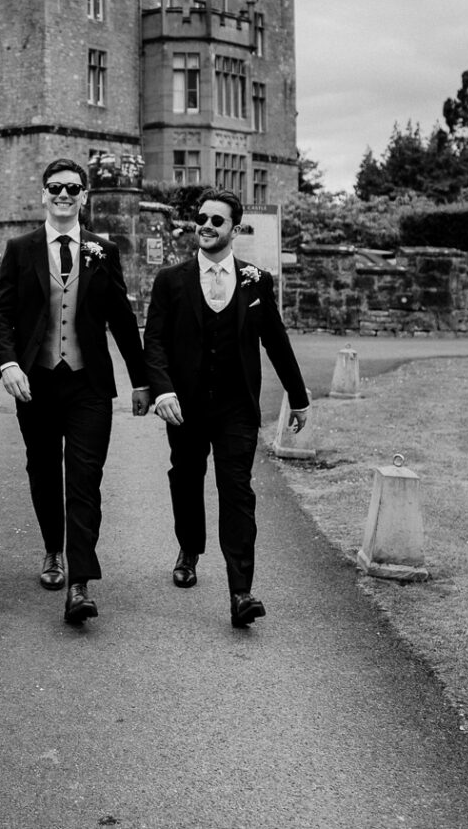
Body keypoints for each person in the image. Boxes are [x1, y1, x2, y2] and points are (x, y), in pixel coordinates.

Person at [140, 186, 310, 628]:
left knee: (237, 490)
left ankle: (241, 592)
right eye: (202, 218)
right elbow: (153, 341)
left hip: (236, 406)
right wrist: (162, 390)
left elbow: (276, 341)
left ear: (235, 228)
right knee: (186, 478)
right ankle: (189, 548)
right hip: (185, 405)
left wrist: (299, 397)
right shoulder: (171, 280)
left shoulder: (256, 280)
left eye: (217, 220)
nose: (207, 226)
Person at [0, 158, 149, 624]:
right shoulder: (20, 248)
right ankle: (52, 551)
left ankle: (79, 581)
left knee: (84, 478)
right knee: (42, 469)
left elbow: (121, 318)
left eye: (72, 188)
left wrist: (142, 381)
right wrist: (8, 362)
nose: (63, 195)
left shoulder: (104, 250)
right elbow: (2, 314)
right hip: (35, 382)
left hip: (88, 384)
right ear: (43, 194)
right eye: (55, 188)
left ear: (84, 196)